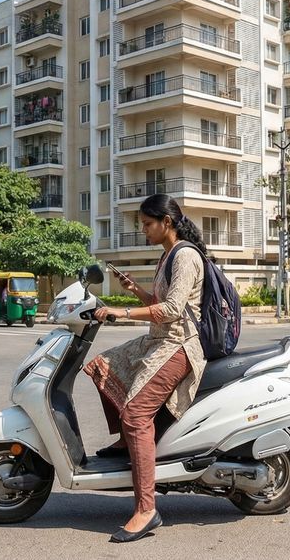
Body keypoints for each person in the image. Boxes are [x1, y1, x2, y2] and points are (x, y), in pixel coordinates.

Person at [83, 194, 208, 543]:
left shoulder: (185, 256)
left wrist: (119, 312)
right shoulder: (168, 255)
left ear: (166, 222)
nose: (143, 230)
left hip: (178, 345)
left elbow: (171, 311)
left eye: (147, 224)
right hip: (158, 340)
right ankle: (127, 443)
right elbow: (159, 304)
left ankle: (146, 509)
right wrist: (134, 290)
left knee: (137, 414)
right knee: (101, 366)